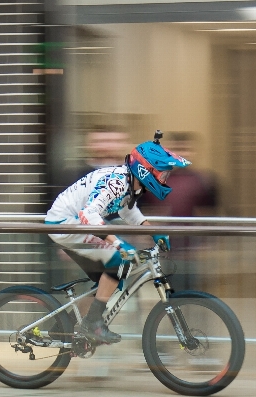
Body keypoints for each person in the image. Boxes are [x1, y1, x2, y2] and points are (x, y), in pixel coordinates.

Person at [45, 132, 188, 344]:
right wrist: (119, 244)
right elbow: (89, 215)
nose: (164, 179)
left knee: (107, 282)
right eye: (162, 174)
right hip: (65, 224)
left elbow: (128, 212)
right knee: (118, 261)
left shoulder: (130, 183)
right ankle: (92, 323)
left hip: (73, 223)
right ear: (145, 170)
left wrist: (153, 231)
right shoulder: (117, 182)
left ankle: (63, 326)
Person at [139, 132, 216, 290]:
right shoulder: (157, 180)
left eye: (186, 149)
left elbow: (210, 214)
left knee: (195, 292)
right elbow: (147, 211)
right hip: (167, 251)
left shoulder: (203, 181)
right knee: (171, 292)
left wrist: (206, 244)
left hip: (192, 252)